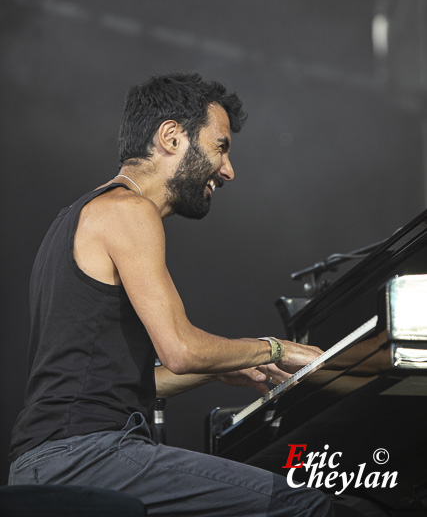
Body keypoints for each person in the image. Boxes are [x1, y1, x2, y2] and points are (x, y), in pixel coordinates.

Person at [8, 73, 333, 516]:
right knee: (305, 505)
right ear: (171, 137)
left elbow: (119, 382)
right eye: (220, 146)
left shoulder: (76, 217)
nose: (229, 170)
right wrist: (275, 348)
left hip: (47, 461)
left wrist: (223, 368)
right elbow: (180, 350)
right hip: (87, 457)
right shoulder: (130, 212)